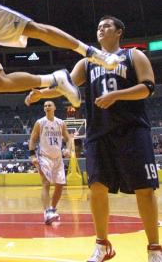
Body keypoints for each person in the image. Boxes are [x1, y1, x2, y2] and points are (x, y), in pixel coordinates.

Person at [25, 15, 162, 262]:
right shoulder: (87, 62)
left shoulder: (133, 56)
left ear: (119, 31)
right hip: (99, 132)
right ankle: (102, 245)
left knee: (144, 189)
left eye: (106, 26)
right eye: (98, 26)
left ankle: (154, 249)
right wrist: (41, 93)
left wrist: (116, 95)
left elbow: (148, 87)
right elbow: (65, 84)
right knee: (96, 189)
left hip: (132, 130)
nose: (100, 29)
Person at [29, 100, 72, 224]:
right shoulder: (40, 122)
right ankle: (47, 211)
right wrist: (32, 156)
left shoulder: (60, 123)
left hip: (58, 158)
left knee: (60, 185)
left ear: (54, 108)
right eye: (45, 106)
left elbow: (68, 139)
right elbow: (32, 139)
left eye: (49, 105)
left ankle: (52, 209)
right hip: (44, 157)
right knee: (46, 183)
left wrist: (68, 149)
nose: (47, 107)